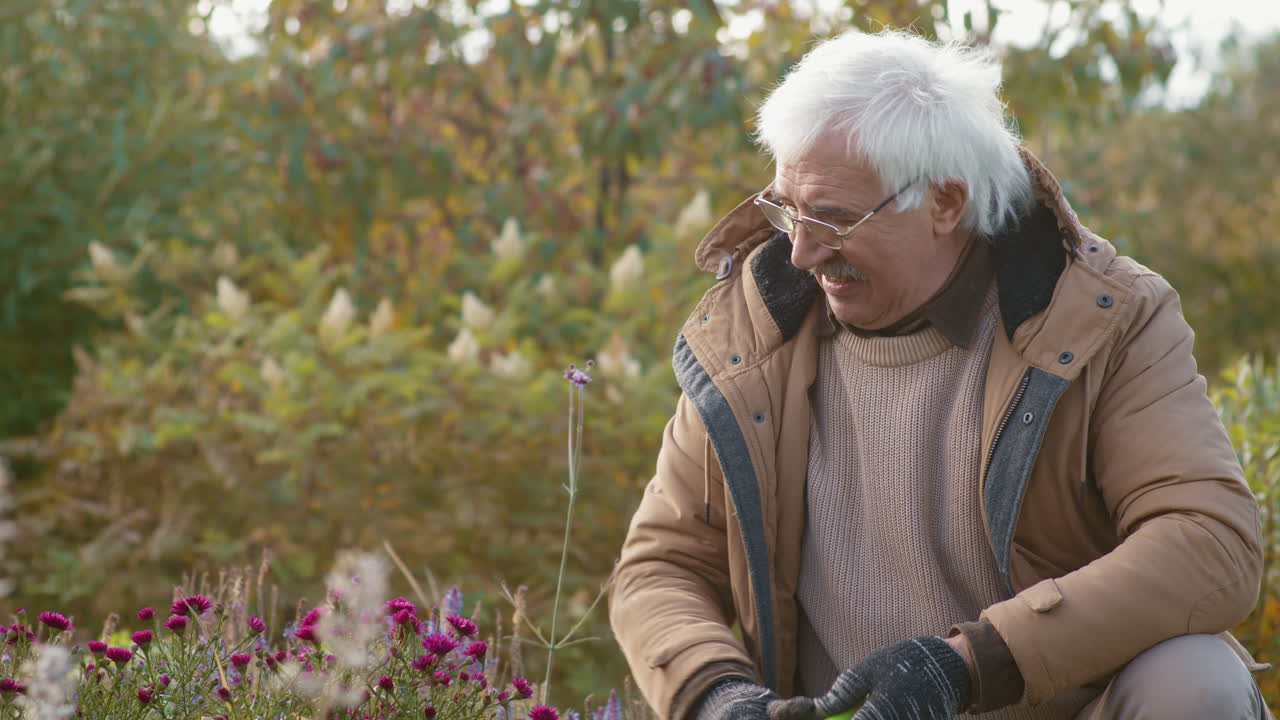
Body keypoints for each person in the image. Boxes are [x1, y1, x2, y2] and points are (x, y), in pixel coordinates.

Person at [608, 29, 1270, 720]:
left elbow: (1211, 541)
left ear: (946, 204)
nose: (799, 252)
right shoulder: (751, 337)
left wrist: (968, 665)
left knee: (1196, 680)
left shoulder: (1107, 317)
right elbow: (661, 566)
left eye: (833, 218)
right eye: (787, 209)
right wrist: (718, 697)